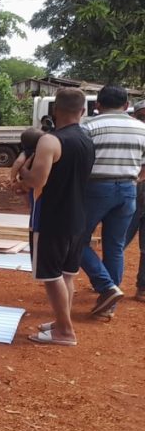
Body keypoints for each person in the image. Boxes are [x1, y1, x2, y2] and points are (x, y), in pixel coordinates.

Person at [17, 88, 94, 346]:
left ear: (54, 111)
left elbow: (37, 180)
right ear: (82, 111)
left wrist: (23, 174)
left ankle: (65, 331)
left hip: (51, 217)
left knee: (51, 276)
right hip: (77, 216)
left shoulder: (49, 141)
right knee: (67, 274)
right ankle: (63, 322)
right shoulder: (87, 139)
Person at [78, 85, 145, 318]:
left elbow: (78, 162)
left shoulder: (88, 126)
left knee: (75, 239)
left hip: (94, 188)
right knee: (114, 247)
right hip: (129, 189)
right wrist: (133, 179)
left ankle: (107, 288)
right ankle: (109, 307)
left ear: (98, 105)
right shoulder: (142, 129)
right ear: (126, 106)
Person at [124, 99, 145, 302]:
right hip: (134, 191)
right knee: (118, 241)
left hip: (134, 190)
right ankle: (107, 283)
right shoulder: (135, 133)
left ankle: (107, 283)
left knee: (118, 241)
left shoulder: (135, 131)